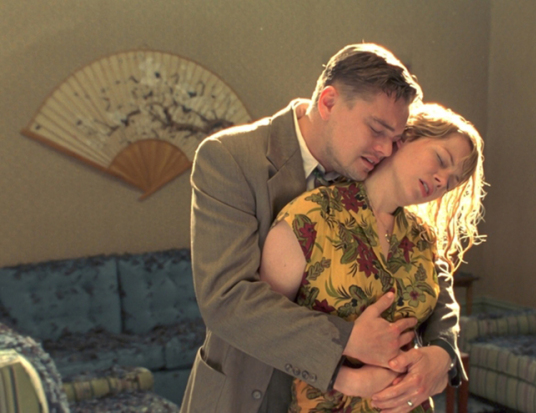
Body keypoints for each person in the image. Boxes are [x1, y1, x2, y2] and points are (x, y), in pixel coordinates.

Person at [181, 44, 466, 413]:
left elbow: (426, 265)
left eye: (395, 138)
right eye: (376, 129)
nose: (386, 149)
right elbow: (226, 298)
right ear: (329, 102)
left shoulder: (372, 162)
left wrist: (443, 351)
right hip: (248, 391)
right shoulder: (229, 157)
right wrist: (346, 347)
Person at [260, 103, 486, 412]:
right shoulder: (310, 217)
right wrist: (345, 378)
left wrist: (439, 360)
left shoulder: (423, 239)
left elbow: (442, 316)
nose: (441, 181)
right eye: (441, 159)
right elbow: (266, 329)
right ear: (404, 138)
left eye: (452, 181)